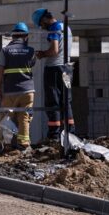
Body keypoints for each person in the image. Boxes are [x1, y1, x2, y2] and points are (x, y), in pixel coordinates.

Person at [0, 22, 36, 154]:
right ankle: (24, 145)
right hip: (28, 91)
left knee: (5, 116)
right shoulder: (31, 51)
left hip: (11, 90)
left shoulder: (5, 51)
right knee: (25, 117)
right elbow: (32, 63)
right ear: (26, 36)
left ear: (12, 36)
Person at [32, 8, 75, 140]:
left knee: (53, 102)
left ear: (45, 19)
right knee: (66, 101)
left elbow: (54, 50)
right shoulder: (65, 26)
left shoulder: (54, 28)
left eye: (41, 24)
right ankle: (70, 133)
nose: (42, 27)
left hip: (54, 69)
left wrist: (42, 54)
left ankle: (54, 135)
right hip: (67, 69)